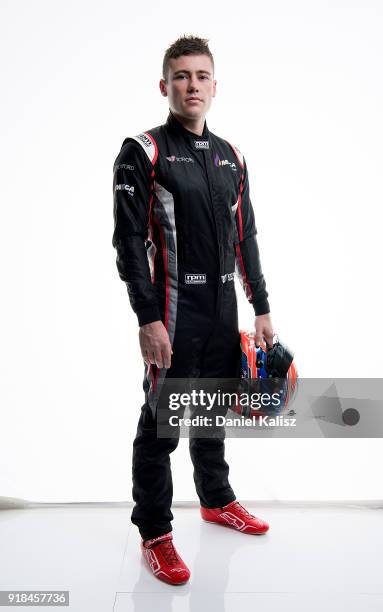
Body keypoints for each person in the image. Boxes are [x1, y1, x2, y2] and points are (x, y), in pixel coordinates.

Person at [112, 35, 274, 586]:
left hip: (222, 310)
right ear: (165, 86)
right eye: (181, 76)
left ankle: (216, 500)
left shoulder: (232, 155)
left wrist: (262, 306)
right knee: (161, 426)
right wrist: (147, 318)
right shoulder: (145, 150)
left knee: (212, 414)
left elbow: (245, 235)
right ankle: (155, 534)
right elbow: (129, 241)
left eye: (202, 75)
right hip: (173, 315)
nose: (192, 85)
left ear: (214, 85)